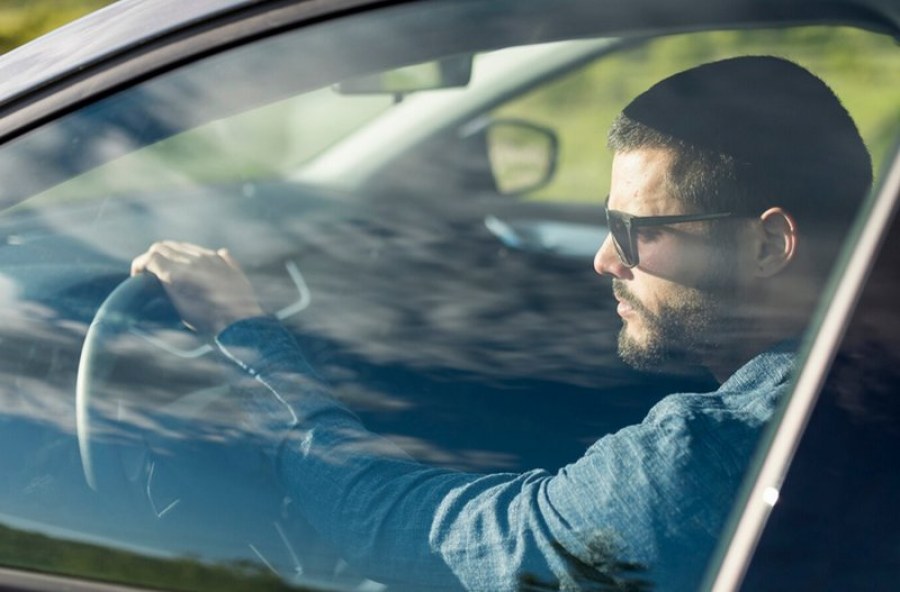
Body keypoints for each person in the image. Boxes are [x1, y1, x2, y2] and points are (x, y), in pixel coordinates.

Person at [132, 56, 872, 591]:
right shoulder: (863, 383)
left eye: (635, 230)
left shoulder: (714, 459)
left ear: (769, 244)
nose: (602, 260)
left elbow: (404, 530)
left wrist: (246, 333)